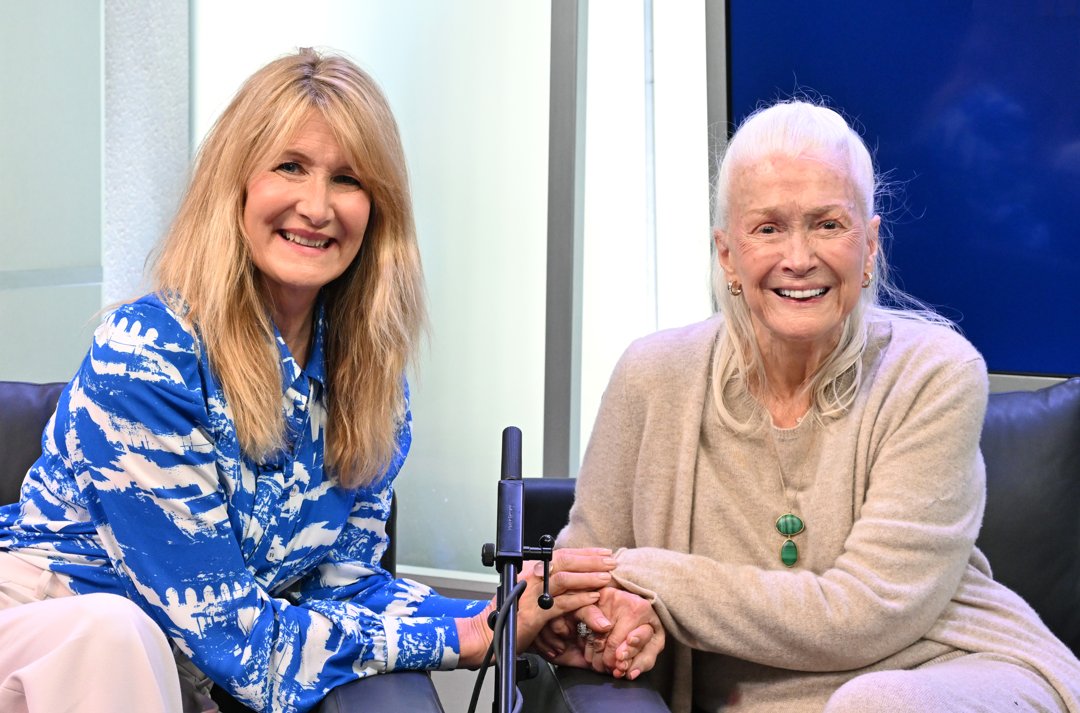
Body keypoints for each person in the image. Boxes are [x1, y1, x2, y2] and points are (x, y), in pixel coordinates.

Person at [0, 48, 618, 713]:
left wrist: (511, 615)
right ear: (233, 185)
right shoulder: (146, 356)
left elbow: (347, 587)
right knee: (117, 635)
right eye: (289, 167)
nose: (317, 206)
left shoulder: (371, 383)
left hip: (178, 668)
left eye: (348, 179)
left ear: (378, 208)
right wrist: (465, 638)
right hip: (53, 628)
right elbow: (242, 646)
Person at [550, 100, 1080, 711]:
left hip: (949, 669)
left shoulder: (935, 371)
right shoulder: (651, 374)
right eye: (768, 228)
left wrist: (647, 580)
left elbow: (866, 615)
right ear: (727, 254)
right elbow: (585, 574)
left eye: (829, 224)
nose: (799, 258)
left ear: (870, 244)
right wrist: (620, 618)